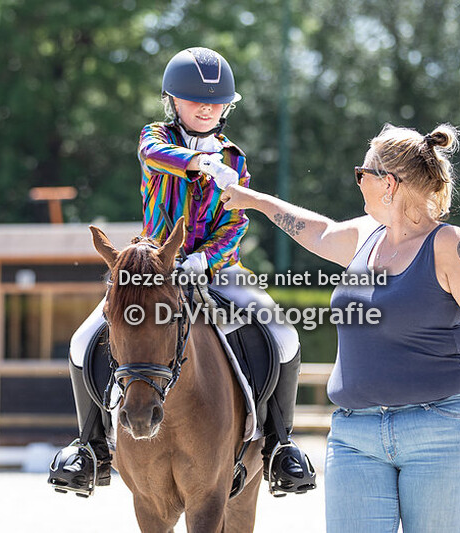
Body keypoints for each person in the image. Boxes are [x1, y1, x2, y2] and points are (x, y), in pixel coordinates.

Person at [221, 123, 460, 531]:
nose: (358, 182)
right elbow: (319, 231)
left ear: (388, 183)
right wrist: (253, 200)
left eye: (361, 173)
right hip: (355, 435)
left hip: (442, 431)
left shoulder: (450, 245)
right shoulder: (367, 235)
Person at [49, 47, 315, 496]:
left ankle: (279, 446)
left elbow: (236, 222)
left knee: (284, 334)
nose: (206, 108)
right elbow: (155, 154)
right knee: (82, 339)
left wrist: (202, 260)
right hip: (151, 270)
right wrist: (199, 163)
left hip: (216, 269)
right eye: (195, 100)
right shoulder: (154, 136)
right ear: (172, 100)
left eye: (216, 102)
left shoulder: (235, 159)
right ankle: (90, 447)